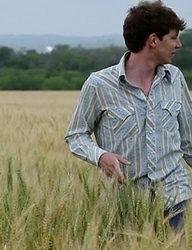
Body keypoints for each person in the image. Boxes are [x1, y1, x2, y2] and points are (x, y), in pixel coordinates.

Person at [64, 0, 192, 237]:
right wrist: (100, 156)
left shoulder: (175, 79)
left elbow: (189, 141)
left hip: (175, 197)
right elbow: (75, 135)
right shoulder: (99, 84)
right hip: (124, 203)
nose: (179, 44)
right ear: (153, 40)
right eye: (173, 38)